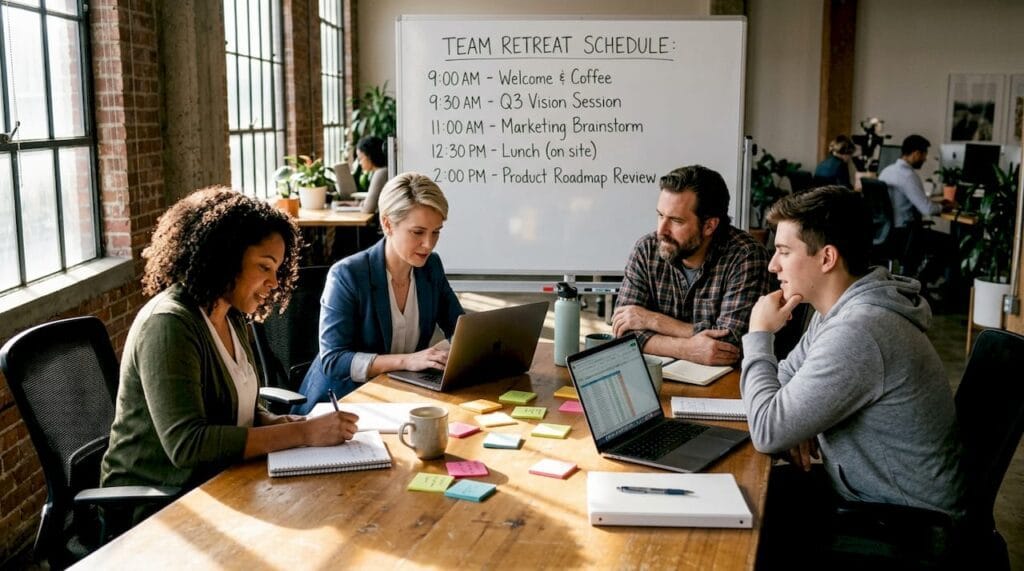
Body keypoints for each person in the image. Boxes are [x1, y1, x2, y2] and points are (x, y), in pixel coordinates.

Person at [740, 186, 964, 560]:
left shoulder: (859, 330)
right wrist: (795, 420)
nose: (772, 266)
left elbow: (767, 429)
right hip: (864, 495)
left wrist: (759, 334)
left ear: (826, 257)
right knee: (743, 494)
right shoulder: (836, 309)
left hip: (906, 526)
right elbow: (783, 386)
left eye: (783, 252)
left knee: (746, 519)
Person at [101, 187, 359, 498]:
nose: (275, 283)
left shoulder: (230, 314)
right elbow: (188, 446)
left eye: (277, 270)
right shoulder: (168, 324)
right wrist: (302, 433)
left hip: (221, 480)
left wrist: (283, 422)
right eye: (264, 266)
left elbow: (242, 410)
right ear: (225, 257)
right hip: (160, 502)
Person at [294, 172, 464, 414]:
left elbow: (459, 327)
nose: (429, 243)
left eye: (436, 231)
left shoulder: (430, 268)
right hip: (341, 404)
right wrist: (408, 360)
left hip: (398, 396)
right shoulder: (347, 275)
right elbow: (334, 360)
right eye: (418, 232)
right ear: (387, 224)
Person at [612, 165, 769, 366]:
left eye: (676, 221)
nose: (662, 230)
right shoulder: (647, 249)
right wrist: (687, 349)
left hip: (723, 387)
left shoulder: (746, 256)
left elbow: (730, 345)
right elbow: (622, 332)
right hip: (659, 379)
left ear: (709, 226)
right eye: (660, 215)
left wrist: (652, 320)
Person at [878, 134, 953, 287]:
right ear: (916, 154)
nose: (925, 160)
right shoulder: (908, 176)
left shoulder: (886, 171)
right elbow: (927, 209)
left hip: (886, 233)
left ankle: (918, 281)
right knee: (949, 243)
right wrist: (945, 206)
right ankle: (920, 282)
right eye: (924, 155)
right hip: (905, 234)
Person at [356, 136, 389, 214]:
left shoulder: (380, 173)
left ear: (369, 156)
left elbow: (367, 209)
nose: (359, 163)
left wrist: (364, 205)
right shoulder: (384, 170)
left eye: (360, 158)